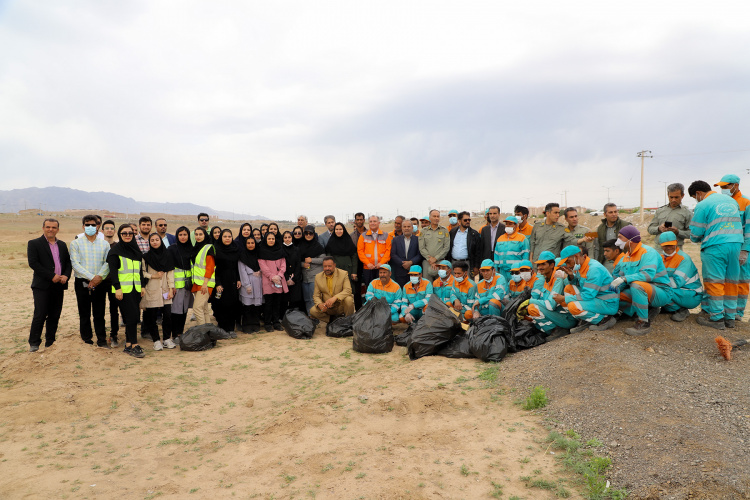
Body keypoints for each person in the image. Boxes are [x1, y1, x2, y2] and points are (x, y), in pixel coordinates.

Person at [689, 180, 743, 329]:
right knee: (731, 280)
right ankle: (730, 317)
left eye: (694, 197)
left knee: (714, 281)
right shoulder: (731, 201)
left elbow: (696, 232)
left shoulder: (702, 205)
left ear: (698, 194)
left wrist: (693, 237)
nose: (696, 199)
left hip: (715, 246)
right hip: (736, 244)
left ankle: (717, 318)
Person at [610, 226, 673, 336]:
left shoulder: (647, 252)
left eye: (620, 237)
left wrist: (624, 279)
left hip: (660, 291)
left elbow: (648, 275)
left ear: (630, 239)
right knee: (615, 293)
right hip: (642, 291)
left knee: (636, 285)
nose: (617, 240)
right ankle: (638, 312)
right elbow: (619, 276)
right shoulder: (626, 256)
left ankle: (643, 322)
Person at [27, 218, 71, 352]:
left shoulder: (62, 245)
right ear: (43, 228)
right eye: (48, 227)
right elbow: (33, 264)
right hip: (42, 286)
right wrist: (51, 276)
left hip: (59, 286)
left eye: (53, 227)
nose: (50, 229)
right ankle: (34, 343)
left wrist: (66, 275)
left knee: (55, 315)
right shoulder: (34, 243)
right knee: (40, 314)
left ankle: (50, 342)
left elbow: (68, 263)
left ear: (58, 229)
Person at [555, 245, 618, 333]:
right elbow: (579, 285)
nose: (568, 265)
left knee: (572, 306)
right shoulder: (581, 266)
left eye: (568, 262)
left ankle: (604, 319)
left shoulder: (593, 269)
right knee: (569, 288)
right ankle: (588, 319)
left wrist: (564, 299)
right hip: (597, 298)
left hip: (607, 303)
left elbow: (588, 295)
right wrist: (571, 276)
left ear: (576, 256)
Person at [70, 214, 111, 347]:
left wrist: (99, 277)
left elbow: (108, 263)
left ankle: (101, 339)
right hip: (82, 282)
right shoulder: (75, 243)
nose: (90, 227)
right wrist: (92, 277)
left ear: (98, 226)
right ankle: (87, 338)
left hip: (100, 282)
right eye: (87, 225)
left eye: (93, 225)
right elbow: (75, 264)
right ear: (83, 226)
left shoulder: (105, 244)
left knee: (99, 312)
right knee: (84, 312)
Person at [714, 174, 750, 320]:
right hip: (725, 248)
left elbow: (749, 228)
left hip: (741, 248)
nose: (723, 189)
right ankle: (725, 310)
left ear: (736, 185)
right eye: (721, 187)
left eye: (725, 186)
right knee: (724, 280)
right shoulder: (722, 204)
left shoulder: (746, 202)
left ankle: (738, 313)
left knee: (741, 281)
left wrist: (745, 250)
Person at [107, 224, 146, 358]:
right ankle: (134, 345)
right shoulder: (115, 251)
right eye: (124, 233)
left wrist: (142, 286)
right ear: (120, 234)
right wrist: (117, 288)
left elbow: (139, 270)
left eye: (130, 233)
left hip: (135, 289)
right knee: (131, 317)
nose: (128, 235)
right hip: (122, 290)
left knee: (134, 316)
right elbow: (113, 272)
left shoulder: (136, 251)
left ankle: (129, 345)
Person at [525, 251, 577, 337]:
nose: (540, 267)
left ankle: (556, 331)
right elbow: (543, 301)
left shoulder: (558, 279)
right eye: (538, 265)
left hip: (566, 318)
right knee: (530, 317)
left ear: (552, 265)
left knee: (532, 308)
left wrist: (530, 301)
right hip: (556, 315)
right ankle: (553, 330)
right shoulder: (545, 279)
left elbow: (550, 305)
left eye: (543, 264)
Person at [141, 233, 176, 350]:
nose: (155, 242)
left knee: (167, 315)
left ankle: (167, 339)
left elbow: (170, 273)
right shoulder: (146, 257)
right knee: (152, 317)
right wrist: (153, 276)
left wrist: (171, 289)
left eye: (157, 240)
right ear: (149, 243)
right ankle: (156, 340)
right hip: (152, 289)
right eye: (152, 240)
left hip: (166, 289)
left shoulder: (167, 255)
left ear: (161, 241)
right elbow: (142, 273)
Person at [659, 232, 702, 322]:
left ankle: (680, 309)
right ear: (660, 245)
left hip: (692, 294)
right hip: (678, 291)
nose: (669, 247)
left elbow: (676, 282)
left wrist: (656, 282)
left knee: (658, 291)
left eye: (671, 244)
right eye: (665, 245)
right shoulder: (660, 258)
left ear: (677, 242)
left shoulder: (683, 259)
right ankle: (670, 307)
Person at [647, 183, 692, 254]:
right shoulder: (660, 211)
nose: (673, 200)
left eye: (676, 197)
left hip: (676, 250)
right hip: (658, 249)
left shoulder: (687, 213)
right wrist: (659, 228)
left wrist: (678, 232)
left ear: (682, 195)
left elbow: (692, 233)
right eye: (671, 197)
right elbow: (650, 229)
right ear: (668, 195)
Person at [212, 229, 242, 334]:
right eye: (225, 236)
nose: (227, 238)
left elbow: (237, 266)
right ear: (221, 237)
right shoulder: (216, 249)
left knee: (233, 304)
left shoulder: (235, 249)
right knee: (221, 304)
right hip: (220, 279)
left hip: (233, 280)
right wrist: (218, 283)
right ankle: (222, 327)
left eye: (229, 236)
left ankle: (230, 328)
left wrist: (238, 278)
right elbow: (214, 269)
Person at [258, 232, 288, 331]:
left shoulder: (280, 249)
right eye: (269, 239)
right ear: (266, 239)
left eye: (273, 239)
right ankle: (267, 323)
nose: (271, 240)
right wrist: (272, 276)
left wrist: (279, 275)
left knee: (277, 303)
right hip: (268, 281)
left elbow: (283, 264)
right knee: (268, 303)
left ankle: (276, 322)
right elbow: (263, 266)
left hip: (279, 281)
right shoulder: (262, 250)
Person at [310, 257, 355, 322]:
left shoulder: (343, 274)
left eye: (329, 266)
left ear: (334, 265)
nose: (327, 268)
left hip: (340, 305)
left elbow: (348, 290)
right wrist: (320, 304)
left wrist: (335, 298)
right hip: (327, 307)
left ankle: (348, 321)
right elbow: (316, 295)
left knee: (349, 300)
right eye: (325, 266)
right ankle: (332, 320)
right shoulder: (318, 277)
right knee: (313, 311)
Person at [169, 226, 194, 341]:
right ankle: (175, 334)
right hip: (176, 287)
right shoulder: (172, 249)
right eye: (180, 235)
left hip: (188, 286)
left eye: (185, 235)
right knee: (175, 311)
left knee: (184, 310)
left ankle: (180, 333)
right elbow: (169, 268)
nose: (183, 237)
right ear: (177, 236)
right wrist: (171, 286)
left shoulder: (191, 248)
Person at [357, 215, 392, 287]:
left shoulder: (385, 235)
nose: (372, 223)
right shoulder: (363, 236)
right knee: (370, 287)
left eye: (374, 221)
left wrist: (381, 263)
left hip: (382, 268)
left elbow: (388, 251)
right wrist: (368, 263)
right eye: (370, 221)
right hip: (368, 268)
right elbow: (360, 251)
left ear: (379, 222)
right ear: (368, 223)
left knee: (382, 287)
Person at [191, 227, 215, 326]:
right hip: (197, 283)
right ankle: (208, 333)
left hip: (205, 284)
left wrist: (205, 283)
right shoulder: (196, 247)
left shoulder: (208, 247)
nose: (198, 236)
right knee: (204, 309)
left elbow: (210, 268)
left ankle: (202, 332)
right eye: (196, 234)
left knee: (197, 308)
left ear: (205, 235)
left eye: (200, 234)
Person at [494, 215, 530, 282]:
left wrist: (523, 271)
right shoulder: (500, 239)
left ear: (516, 225)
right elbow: (496, 255)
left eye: (510, 224)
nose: (508, 226)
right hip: (502, 272)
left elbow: (525, 256)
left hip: (515, 272)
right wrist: (496, 270)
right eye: (507, 224)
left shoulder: (522, 238)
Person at [238, 236, 263, 332]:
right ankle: (247, 326)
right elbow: (242, 271)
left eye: (252, 243)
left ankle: (255, 325)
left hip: (258, 281)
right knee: (247, 306)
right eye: (248, 243)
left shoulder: (259, 254)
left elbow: (263, 265)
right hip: (247, 282)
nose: (250, 245)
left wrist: (260, 271)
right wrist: (247, 285)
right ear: (245, 244)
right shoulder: (242, 256)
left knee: (256, 306)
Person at [299, 225, 326, 313]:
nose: (308, 235)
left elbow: (323, 260)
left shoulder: (317, 246)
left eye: (310, 233)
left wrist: (312, 260)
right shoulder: (300, 246)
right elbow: (296, 261)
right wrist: (303, 264)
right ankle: (310, 315)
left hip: (315, 275)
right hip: (304, 277)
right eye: (306, 233)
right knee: (307, 298)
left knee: (313, 298)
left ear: (314, 234)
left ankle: (315, 316)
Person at [101, 219, 119, 345]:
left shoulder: (118, 246)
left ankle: (114, 335)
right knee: (100, 310)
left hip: (114, 283)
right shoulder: (98, 245)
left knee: (114, 310)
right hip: (100, 282)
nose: (109, 230)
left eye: (111, 228)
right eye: (107, 228)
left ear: (115, 231)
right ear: (102, 230)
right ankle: (101, 335)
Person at [419, 209, 450, 282]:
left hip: (440, 261)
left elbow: (446, 247)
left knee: (440, 283)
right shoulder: (423, 231)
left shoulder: (444, 230)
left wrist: (435, 259)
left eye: (438, 216)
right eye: (434, 216)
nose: (436, 218)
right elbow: (421, 247)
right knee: (427, 283)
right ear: (429, 218)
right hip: (427, 261)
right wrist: (430, 260)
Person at [325, 222, 358, 289]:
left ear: (344, 230)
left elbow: (354, 257)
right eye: (336, 229)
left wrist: (354, 272)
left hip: (348, 270)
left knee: (348, 289)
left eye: (340, 229)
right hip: (335, 270)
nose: (338, 231)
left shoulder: (348, 241)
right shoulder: (331, 242)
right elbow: (328, 258)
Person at [390, 221, 423, 287]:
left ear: (412, 228)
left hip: (414, 271)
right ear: (402, 228)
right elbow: (393, 254)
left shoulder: (418, 240)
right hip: (400, 271)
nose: (406, 228)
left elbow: (420, 254)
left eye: (408, 226)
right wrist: (403, 263)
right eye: (404, 227)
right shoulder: (396, 240)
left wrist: (411, 262)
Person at [449, 211, 482, 276]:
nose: (468, 221)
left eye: (469, 220)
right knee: (455, 283)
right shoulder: (453, 232)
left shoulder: (474, 234)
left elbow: (478, 251)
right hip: (454, 263)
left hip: (467, 263)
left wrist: (476, 266)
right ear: (459, 221)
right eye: (465, 220)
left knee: (468, 284)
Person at [281, 230, 305, 312]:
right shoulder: (280, 249)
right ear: (283, 239)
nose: (287, 239)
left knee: (294, 299)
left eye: (289, 237)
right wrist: (287, 278)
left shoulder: (297, 249)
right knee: (284, 299)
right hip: (284, 278)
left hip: (295, 278)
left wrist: (294, 277)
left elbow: (298, 264)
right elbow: (280, 265)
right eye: (285, 237)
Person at [351, 213, 367, 309]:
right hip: (356, 265)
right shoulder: (351, 236)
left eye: (361, 219)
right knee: (357, 289)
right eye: (358, 219)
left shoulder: (370, 233)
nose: (359, 221)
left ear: (364, 220)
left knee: (368, 286)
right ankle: (358, 310)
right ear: (355, 221)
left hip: (368, 264)